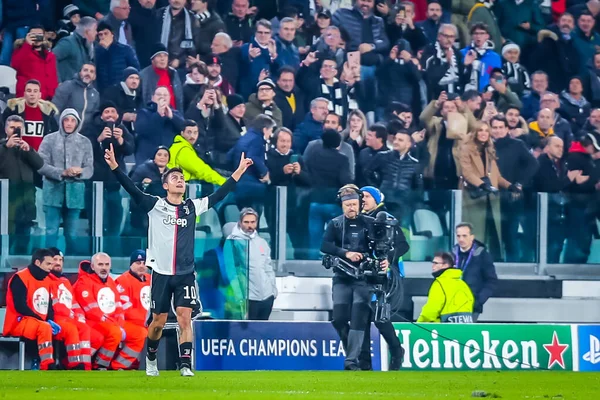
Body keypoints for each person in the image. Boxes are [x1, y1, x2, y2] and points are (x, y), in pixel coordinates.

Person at [103, 136, 253, 377]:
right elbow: (131, 187)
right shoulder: (153, 205)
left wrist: (238, 172)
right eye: (175, 178)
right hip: (161, 273)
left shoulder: (192, 207)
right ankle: (151, 357)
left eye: (182, 178)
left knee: (185, 318)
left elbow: (220, 195)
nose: (180, 180)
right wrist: (114, 167)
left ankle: (185, 364)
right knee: (158, 323)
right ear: (165, 185)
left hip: (185, 274)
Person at [320, 184, 381, 371]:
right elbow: (325, 245)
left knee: (358, 321)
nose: (351, 208)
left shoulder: (369, 223)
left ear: (360, 204)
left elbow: (380, 247)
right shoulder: (335, 224)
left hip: (363, 279)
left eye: (354, 204)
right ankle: (352, 353)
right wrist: (346, 253)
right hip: (342, 277)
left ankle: (351, 361)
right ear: (342, 206)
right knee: (338, 319)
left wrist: (380, 260)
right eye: (348, 205)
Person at [2, 249, 85, 370]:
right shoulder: (20, 278)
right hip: (19, 321)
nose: (51, 267)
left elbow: (50, 306)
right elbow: (20, 306)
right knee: (44, 327)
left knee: (70, 329)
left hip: (40, 321)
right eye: (48, 264)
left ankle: (75, 364)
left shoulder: (47, 280)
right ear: (37, 263)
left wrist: (50, 320)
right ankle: (47, 363)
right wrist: (42, 321)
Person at [357, 186, 408, 370]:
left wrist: (387, 260)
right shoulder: (359, 220)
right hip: (365, 275)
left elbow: (403, 245)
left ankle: (396, 350)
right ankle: (364, 364)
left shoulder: (385, 218)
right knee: (361, 318)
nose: (364, 199)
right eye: (361, 196)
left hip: (385, 279)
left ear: (377, 200)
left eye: (368, 196)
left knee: (379, 318)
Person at [73, 253, 146, 370]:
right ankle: (101, 365)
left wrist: (120, 321)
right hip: (91, 322)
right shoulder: (84, 282)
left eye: (107, 264)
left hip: (111, 322)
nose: (104, 268)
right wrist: (114, 323)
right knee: (115, 332)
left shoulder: (110, 281)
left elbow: (118, 305)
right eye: (100, 264)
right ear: (92, 266)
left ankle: (119, 366)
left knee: (140, 333)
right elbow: (91, 310)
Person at [38, 109, 94, 255]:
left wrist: (79, 171)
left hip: (75, 194)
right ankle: (47, 262)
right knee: (51, 231)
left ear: (77, 123)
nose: (69, 123)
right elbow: (40, 165)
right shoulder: (49, 139)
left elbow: (90, 169)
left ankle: (72, 264)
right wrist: (61, 172)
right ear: (61, 121)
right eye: (66, 120)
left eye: (72, 120)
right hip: (52, 192)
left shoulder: (85, 142)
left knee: (72, 233)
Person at [460, 122, 519, 257]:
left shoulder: (489, 150)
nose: (483, 133)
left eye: (486, 131)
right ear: (475, 132)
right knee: (476, 233)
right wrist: (482, 185)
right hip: (473, 199)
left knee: (492, 235)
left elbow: (496, 176)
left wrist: (510, 186)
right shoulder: (466, 149)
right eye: (480, 130)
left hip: (490, 199)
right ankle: (471, 261)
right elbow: (467, 173)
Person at [83, 101, 135, 241]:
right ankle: (94, 249)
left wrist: (121, 140)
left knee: (115, 217)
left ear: (118, 115)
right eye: (107, 112)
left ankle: (112, 247)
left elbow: (130, 149)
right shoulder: (91, 128)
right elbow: (83, 149)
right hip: (94, 182)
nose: (110, 115)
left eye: (113, 112)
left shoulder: (122, 129)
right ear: (101, 115)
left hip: (114, 183)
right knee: (95, 218)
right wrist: (98, 139)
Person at [490, 115, 538, 262]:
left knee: (511, 237)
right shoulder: (486, 146)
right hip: (491, 198)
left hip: (512, 198)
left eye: (500, 127)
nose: (497, 131)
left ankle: (514, 271)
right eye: (495, 127)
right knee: (494, 238)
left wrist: (519, 184)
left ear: (506, 129)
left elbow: (533, 164)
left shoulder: (517, 144)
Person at [47, 247, 98, 370]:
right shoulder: (46, 280)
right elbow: (53, 305)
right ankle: (74, 364)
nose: (58, 263)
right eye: (55, 260)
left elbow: (74, 303)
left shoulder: (65, 281)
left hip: (69, 318)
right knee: (71, 329)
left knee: (84, 328)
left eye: (60, 260)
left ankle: (86, 365)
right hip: (56, 319)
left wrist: (79, 316)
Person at [0, 115, 44, 255]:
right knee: (7, 238)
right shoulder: (1, 147)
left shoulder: (26, 149)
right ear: (6, 129)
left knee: (24, 239)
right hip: (6, 203)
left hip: (26, 202)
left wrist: (29, 151)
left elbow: (40, 165)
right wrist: (6, 147)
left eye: (18, 128)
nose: (15, 131)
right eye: (12, 127)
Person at [364, 129, 423, 228]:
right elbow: (367, 172)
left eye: (400, 140)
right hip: (384, 202)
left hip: (403, 205)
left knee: (401, 232)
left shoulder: (414, 164)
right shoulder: (382, 156)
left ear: (408, 144)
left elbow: (419, 187)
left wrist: (410, 199)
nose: (395, 142)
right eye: (395, 139)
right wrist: (377, 189)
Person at [227, 208, 277, 320]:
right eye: (246, 222)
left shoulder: (261, 242)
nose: (250, 225)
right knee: (247, 333)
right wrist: (238, 295)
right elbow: (231, 270)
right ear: (240, 222)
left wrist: (273, 290)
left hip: (267, 296)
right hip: (247, 297)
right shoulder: (233, 241)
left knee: (262, 332)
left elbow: (268, 267)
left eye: (253, 222)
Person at [227, 115, 275, 211]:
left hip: (238, 181)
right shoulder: (257, 139)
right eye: (271, 130)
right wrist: (265, 172)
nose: (271, 134)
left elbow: (229, 156)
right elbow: (253, 157)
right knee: (273, 195)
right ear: (265, 129)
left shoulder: (245, 137)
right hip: (249, 183)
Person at [453, 223, 498, 322]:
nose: (461, 239)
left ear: (472, 237)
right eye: (458, 236)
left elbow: (492, 281)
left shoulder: (482, 255)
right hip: (451, 305)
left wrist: (478, 301)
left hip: (472, 306)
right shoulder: (452, 254)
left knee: (466, 334)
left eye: (464, 236)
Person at [417, 251, 475, 323]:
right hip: (465, 329)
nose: (433, 266)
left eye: (436, 263)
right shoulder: (463, 285)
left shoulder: (439, 284)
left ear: (445, 265)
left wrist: (419, 324)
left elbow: (431, 310)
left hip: (443, 329)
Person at [2, 80, 59, 151]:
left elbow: (55, 134)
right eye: (29, 91)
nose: (32, 94)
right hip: (17, 155)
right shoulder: (13, 110)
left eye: (35, 91)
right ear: (24, 94)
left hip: (38, 156)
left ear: (40, 95)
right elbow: (2, 130)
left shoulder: (48, 113)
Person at [134, 86, 186, 165]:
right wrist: (158, 114)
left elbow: (184, 128)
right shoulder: (144, 113)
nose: (162, 96)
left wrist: (172, 117)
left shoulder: (175, 114)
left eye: (165, 95)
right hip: (147, 158)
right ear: (152, 98)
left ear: (169, 98)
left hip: (170, 159)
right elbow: (141, 130)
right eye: (159, 94)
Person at [167, 120, 226, 185]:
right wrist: (223, 182)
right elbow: (200, 170)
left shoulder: (180, 146)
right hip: (183, 186)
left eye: (195, 132)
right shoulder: (183, 150)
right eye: (189, 132)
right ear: (182, 133)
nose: (192, 136)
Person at [11, 26, 59, 100]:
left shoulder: (50, 55)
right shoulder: (21, 50)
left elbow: (53, 77)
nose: (36, 37)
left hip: (46, 98)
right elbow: (15, 65)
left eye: (39, 34)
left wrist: (52, 95)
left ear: (44, 36)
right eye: (33, 34)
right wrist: (27, 45)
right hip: (27, 97)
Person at [94, 21, 140, 93]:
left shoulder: (126, 49)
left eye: (106, 33)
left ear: (112, 34)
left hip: (123, 91)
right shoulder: (96, 52)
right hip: (104, 92)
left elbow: (136, 70)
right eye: (100, 35)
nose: (103, 37)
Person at [52, 63, 100, 128]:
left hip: (85, 135)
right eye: (85, 70)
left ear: (94, 77)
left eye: (91, 72)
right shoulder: (68, 86)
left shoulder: (95, 94)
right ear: (80, 73)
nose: (88, 73)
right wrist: (60, 128)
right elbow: (55, 108)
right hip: (65, 131)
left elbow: (95, 115)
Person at [139, 43, 184, 111]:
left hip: (173, 115)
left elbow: (179, 99)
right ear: (152, 59)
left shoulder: (173, 73)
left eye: (165, 56)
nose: (162, 59)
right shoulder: (143, 75)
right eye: (159, 56)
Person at [53, 17, 98, 83]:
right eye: (95, 29)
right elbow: (51, 59)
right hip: (65, 90)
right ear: (87, 32)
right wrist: (58, 82)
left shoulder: (88, 46)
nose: (96, 33)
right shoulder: (68, 43)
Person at [115, 250, 151, 330]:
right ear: (131, 264)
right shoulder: (122, 281)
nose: (142, 266)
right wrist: (145, 320)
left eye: (144, 263)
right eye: (138, 263)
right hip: (129, 323)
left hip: (148, 322)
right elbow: (124, 308)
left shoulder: (151, 279)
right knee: (143, 334)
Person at [102, 67, 142, 134]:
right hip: (114, 130)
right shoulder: (112, 92)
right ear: (125, 79)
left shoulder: (138, 95)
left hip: (134, 132)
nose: (134, 81)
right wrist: (122, 116)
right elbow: (104, 111)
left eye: (137, 78)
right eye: (131, 78)